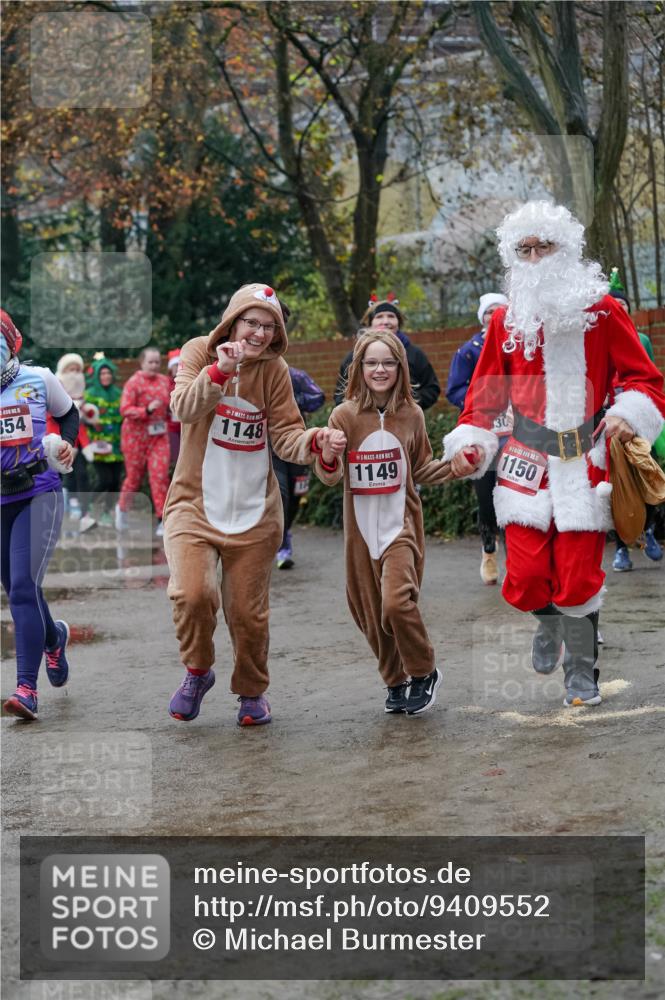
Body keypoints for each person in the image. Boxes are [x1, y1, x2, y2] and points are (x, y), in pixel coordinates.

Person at [443, 201, 665, 708]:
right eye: (524, 249)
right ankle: (549, 624)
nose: (535, 258)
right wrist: (471, 443)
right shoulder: (505, 320)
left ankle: (581, 672)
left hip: (585, 465)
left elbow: (646, 381)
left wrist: (628, 415)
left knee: (579, 581)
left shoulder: (603, 312)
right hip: (525, 465)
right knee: (522, 581)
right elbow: (483, 399)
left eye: (544, 247)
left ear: (565, 250)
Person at [162, 282, 345, 727]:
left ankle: (251, 691)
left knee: (247, 614)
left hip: (255, 514)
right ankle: (198, 670)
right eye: (251, 322)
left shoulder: (275, 369)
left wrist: (317, 442)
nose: (260, 333)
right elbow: (182, 407)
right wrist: (219, 372)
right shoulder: (198, 352)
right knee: (192, 594)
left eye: (269, 326)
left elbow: (286, 435)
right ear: (232, 321)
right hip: (193, 506)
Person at [315, 328, 451, 716]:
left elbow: (421, 467)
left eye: (388, 362)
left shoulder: (412, 414)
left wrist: (457, 466)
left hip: (401, 526)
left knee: (396, 603)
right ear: (359, 368)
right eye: (372, 362)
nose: (380, 370)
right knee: (371, 613)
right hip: (360, 532)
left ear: (400, 368)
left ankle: (423, 671)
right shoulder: (343, 416)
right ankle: (394, 681)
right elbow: (329, 475)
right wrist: (327, 454)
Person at [1, 310, 78, 720]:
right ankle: (54, 638)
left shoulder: (39, 378)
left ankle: (26, 690)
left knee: (22, 587)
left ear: (11, 343)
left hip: (39, 492)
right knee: (19, 588)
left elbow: (69, 414)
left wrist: (67, 443)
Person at [446, 292, 510, 584]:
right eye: (489, 311)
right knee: (486, 498)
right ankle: (488, 550)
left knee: (514, 493)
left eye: (499, 310)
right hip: (483, 430)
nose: (494, 315)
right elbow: (455, 389)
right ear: (482, 316)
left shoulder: (519, 344)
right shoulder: (468, 351)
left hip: (516, 432)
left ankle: (516, 559)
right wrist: (482, 402)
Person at [607, 271, 663, 569]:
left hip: (635, 415)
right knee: (616, 486)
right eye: (614, 304)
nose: (619, 308)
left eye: (623, 305)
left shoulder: (641, 339)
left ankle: (648, 530)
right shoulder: (597, 336)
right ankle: (622, 549)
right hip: (609, 419)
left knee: (645, 474)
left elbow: (648, 376)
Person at [334, 296, 440, 410]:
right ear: (370, 323)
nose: (385, 322)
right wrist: (357, 405)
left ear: (398, 322)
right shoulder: (354, 356)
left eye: (391, 316)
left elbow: (432, 388)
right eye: (379, 317)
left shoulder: (415, 354)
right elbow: (340, 394)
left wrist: (410, 402)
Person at [274, 365, 325, 569]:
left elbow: (318, 397)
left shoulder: (294, 375)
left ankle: (284, 532)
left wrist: (292, 403)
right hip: (271, 446)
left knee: (296, 495)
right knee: (281, 493)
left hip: (298, 444)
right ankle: (281, 545)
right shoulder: (261, 375)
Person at [116, 347, 171, 537]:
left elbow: (172, 403)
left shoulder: (164, 381)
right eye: (150, 362)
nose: (154, 365)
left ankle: (162, 519)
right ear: (142, 363)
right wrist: (145, 410)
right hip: (135, 437)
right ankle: (122, 509)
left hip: (158, 436)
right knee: (134, 479)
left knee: (160, 476)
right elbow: (124, 409)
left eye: (157, 362)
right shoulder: (134, 382)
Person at [51, 353, 96, 533]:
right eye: (71, 369)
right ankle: (63, 514)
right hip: (58, 441)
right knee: (62, 478)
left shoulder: (82, 393)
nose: (75, 374)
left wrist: (88, 413)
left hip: (78, 442)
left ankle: (85, 515)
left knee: (82, 475)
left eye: (78, 370)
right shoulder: (54, 389)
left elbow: (85, 419)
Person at [83, 357, 124, 527]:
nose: (106, 376)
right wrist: (90, 423)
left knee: (115, 481)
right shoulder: (89, 394)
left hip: (116, 445)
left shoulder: (119, 394)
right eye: (102, 373)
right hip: (98, 445)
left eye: (108, 373)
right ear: (97, 376)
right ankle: (89, 506)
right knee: (104, 479)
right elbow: (81, 417)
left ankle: (107, 512)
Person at [166, 349, 182, 467]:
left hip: (186, 425)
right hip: (170, 427)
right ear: (170, 368)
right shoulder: (165, 383)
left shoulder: (188, 382)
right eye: (175, 365)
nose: (178, 368)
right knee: (175, 457)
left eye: (180, 365)